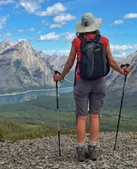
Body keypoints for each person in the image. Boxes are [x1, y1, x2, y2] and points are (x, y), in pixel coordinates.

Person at [53, 12, 131, 162]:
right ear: (96, 26)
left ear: (82, 27)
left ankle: (80, 151)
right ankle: (93, 149)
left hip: (81, 82)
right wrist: (122, 72)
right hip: (99, 82)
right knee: (95, 116)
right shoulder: (104, 41)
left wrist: (60, 77)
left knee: (81, 117)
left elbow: (69, 63)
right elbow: (112, 62)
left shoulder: (76, 42)